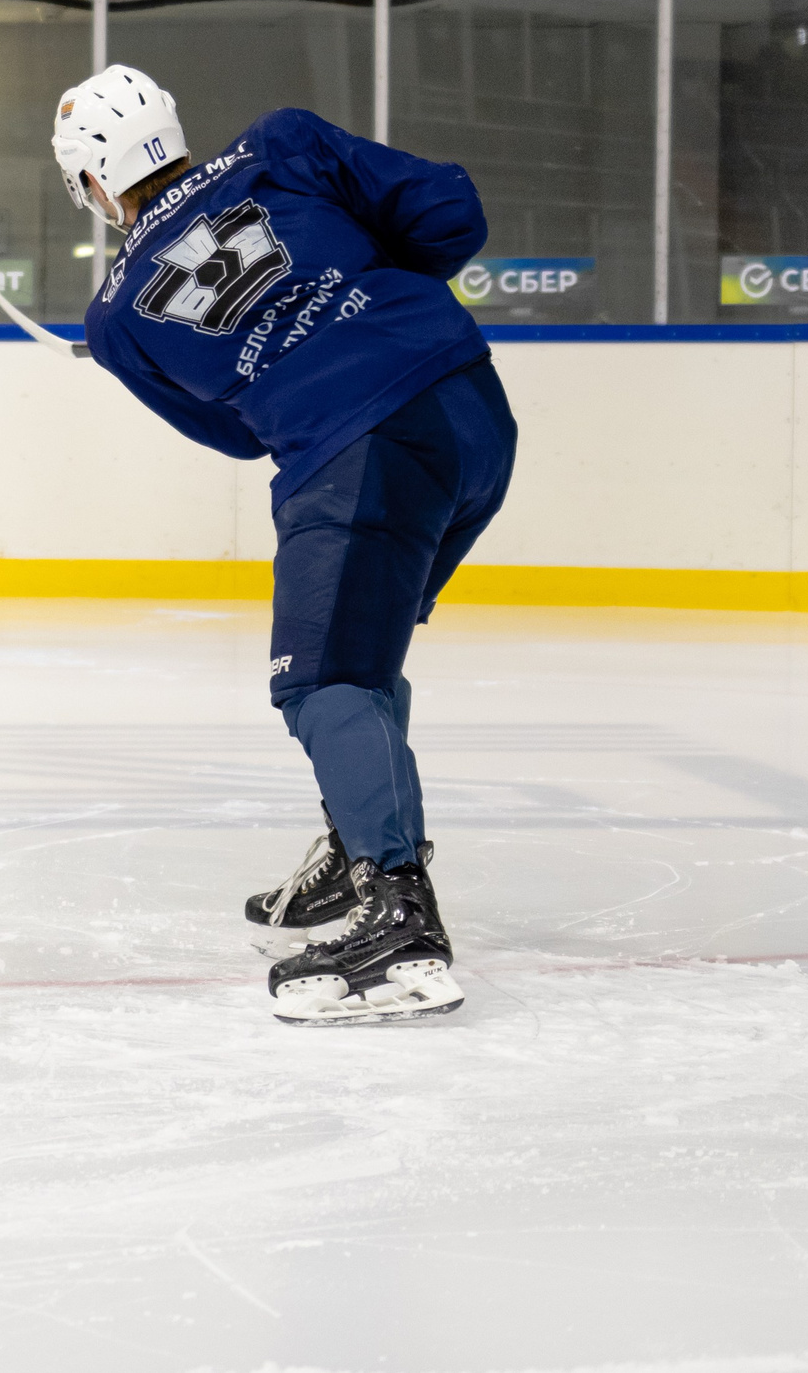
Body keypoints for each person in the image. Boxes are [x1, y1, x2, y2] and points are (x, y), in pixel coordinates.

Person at [53, 66, 518, 1027]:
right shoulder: (281, 146)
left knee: (321, 680)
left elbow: (232, 433)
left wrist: (302, 357)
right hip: (470, 413)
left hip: (361, 454)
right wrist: (362, 300)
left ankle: (396, 914)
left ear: (94, 185)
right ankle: (361, 851)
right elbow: (450, 210)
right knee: (364, 657)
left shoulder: (116, 317)